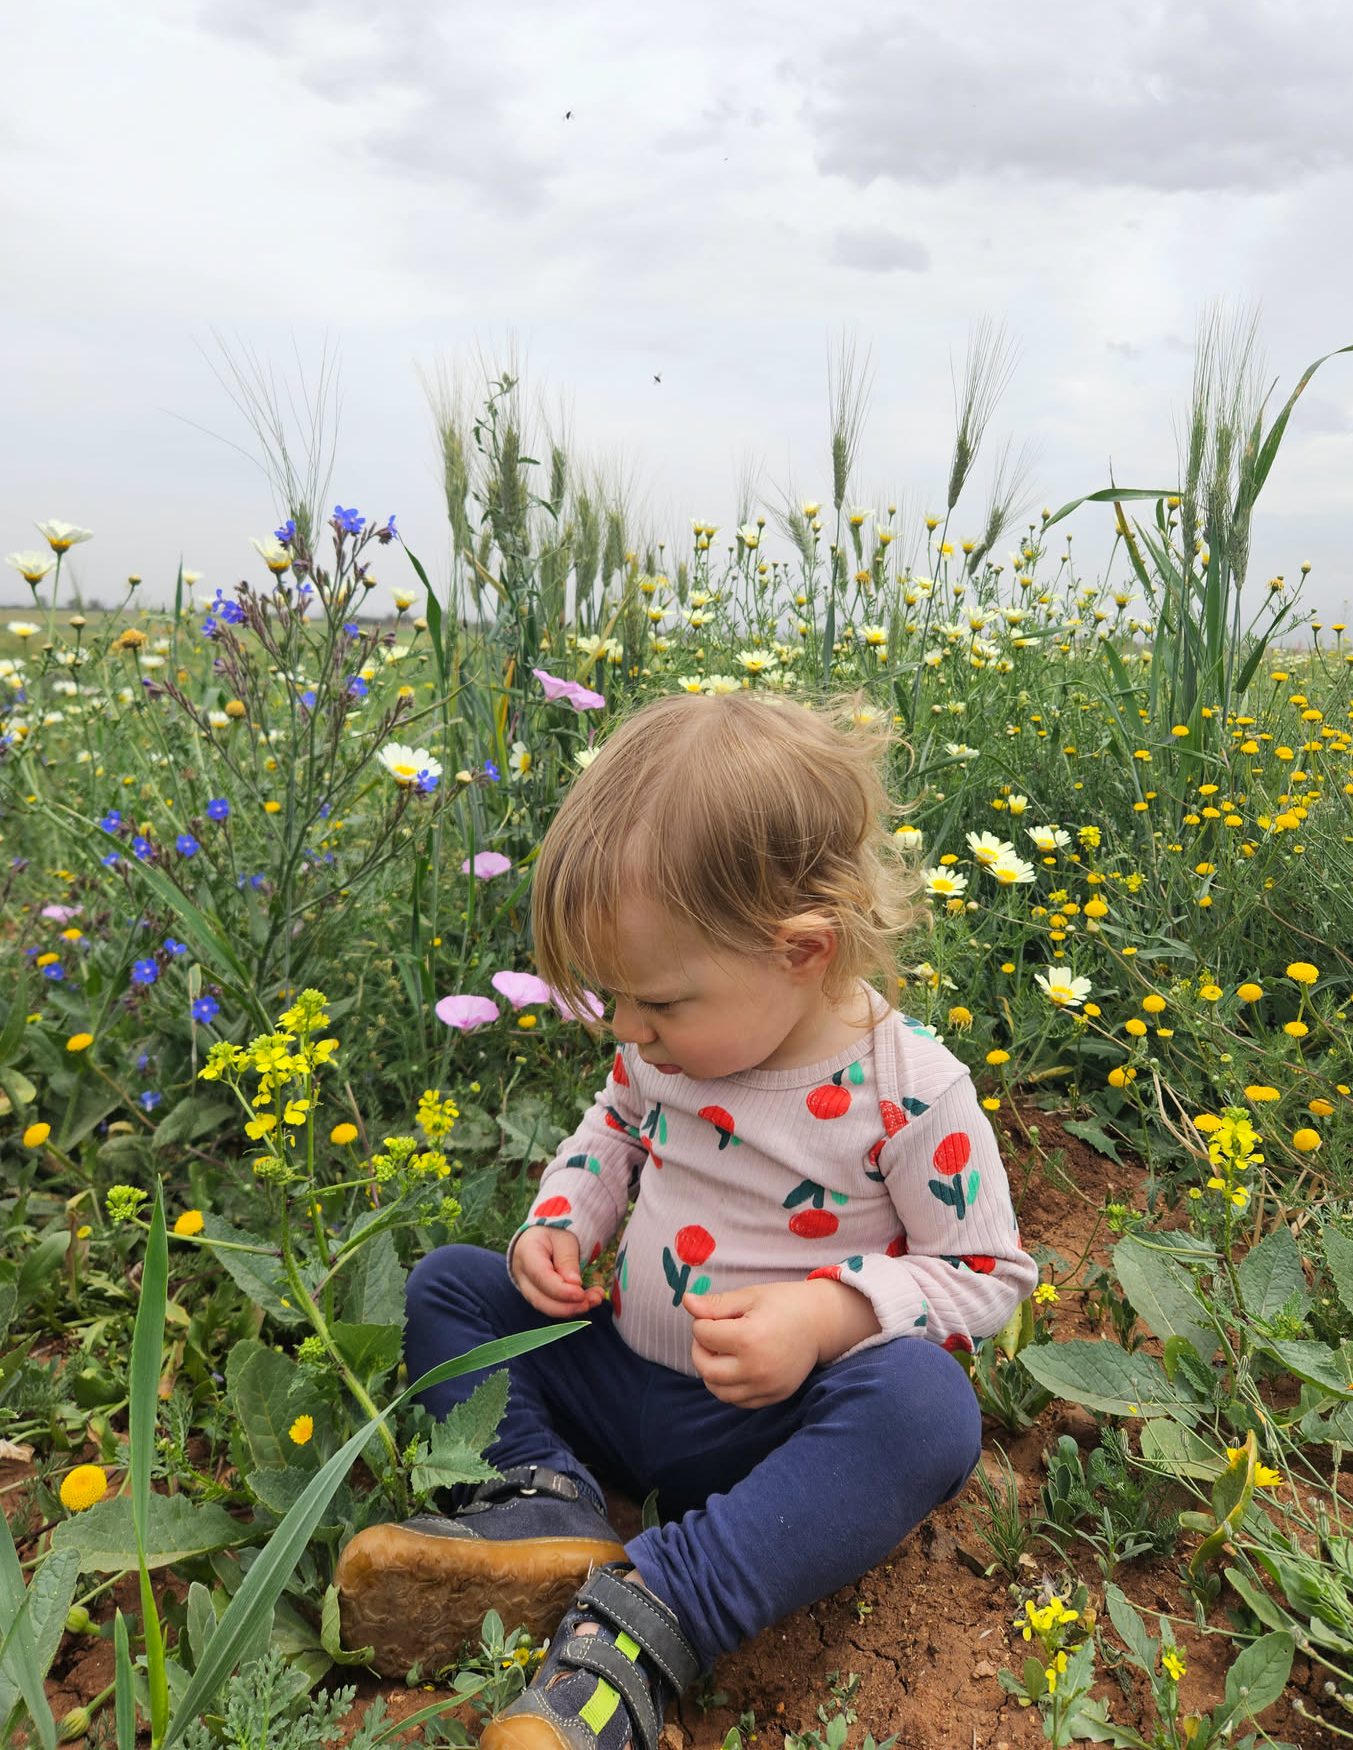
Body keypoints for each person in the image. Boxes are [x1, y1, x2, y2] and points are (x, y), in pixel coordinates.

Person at [336, 691, 1037, 1750]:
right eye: (614, 999)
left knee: (926, 1408)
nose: (628, 1030)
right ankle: (541, 1503)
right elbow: (613, 1126)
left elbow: (988, 1272)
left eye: (658, 1003)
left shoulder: (910, 1092)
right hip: (620, 1376)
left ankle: (658, 1613)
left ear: (802, 951)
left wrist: (831, 1316)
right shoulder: (661, 1052)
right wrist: (561, 1222)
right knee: (451, 1286)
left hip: (773, 1431)